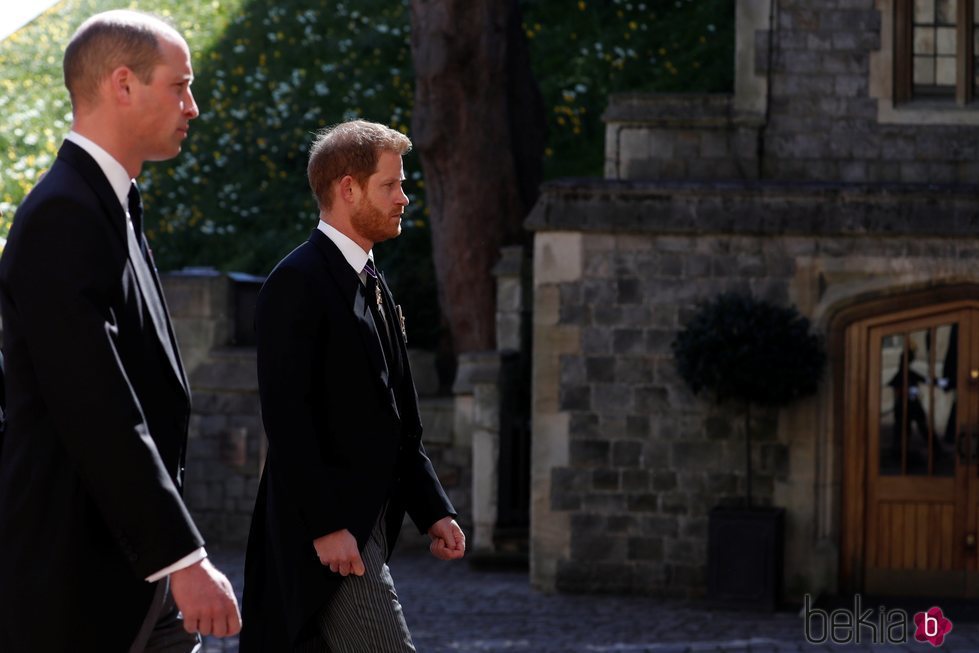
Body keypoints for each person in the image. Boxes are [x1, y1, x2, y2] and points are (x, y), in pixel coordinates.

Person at [0, 11, 241, 652]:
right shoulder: (63, 215)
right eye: (180, 86)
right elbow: (96, 407)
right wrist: (182, 559)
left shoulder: (113, 206)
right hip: (80, 580)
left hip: (132, 573)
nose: (193, 106)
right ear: (123, 84)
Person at [240, 120, 465, 652]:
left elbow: (396, 419)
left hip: (365, 528)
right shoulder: (296, 282)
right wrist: (325, 526)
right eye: (390, 185)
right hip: (328, 538)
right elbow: (287, 418)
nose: (404, 198)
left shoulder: (374, 282)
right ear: (347, 188)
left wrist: (433, 508)